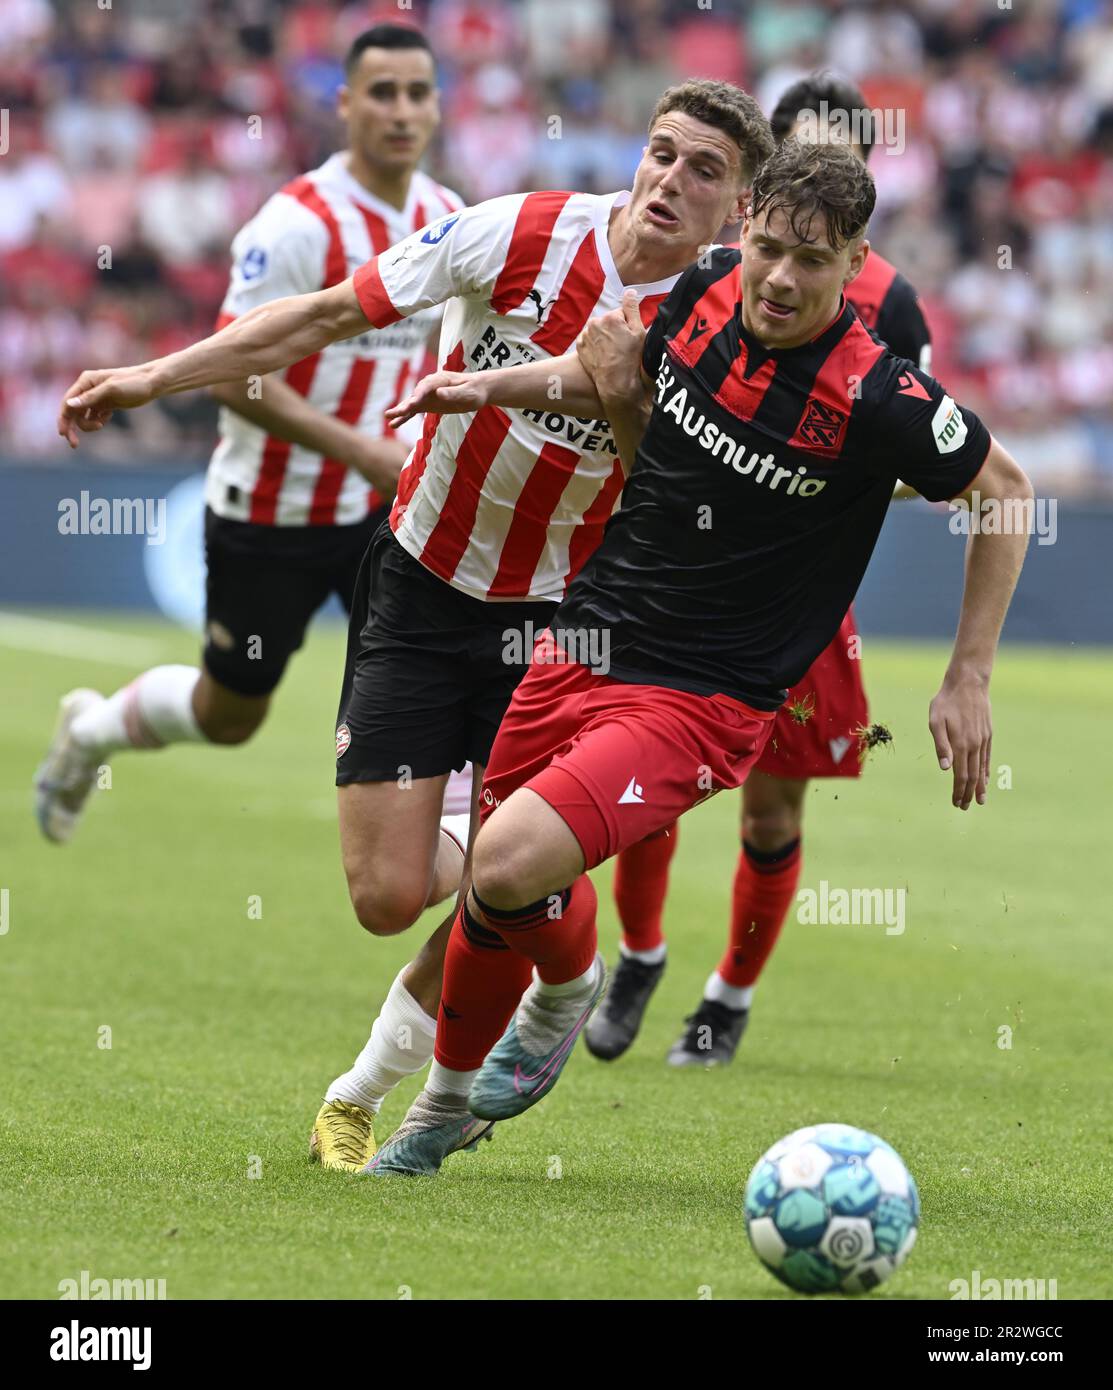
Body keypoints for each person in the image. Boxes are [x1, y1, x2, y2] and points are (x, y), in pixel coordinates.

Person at [53, 80, 776, 1170]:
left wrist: (625, 398)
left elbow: (678, 507)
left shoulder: (723, 328)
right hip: (419, 581)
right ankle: (544, 931)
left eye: (705, 170)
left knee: (507, 866)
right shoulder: (520, 232)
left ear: (739, 207)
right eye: (664, 153)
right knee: (387, 896)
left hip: (558, 625)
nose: (673, 180)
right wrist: (159, 375)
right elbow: (328, 313)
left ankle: (375, 1093)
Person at [363, 137, 1033, 1176]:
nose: (779, 276)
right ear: (745, 231)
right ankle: (440, 1107)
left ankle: (563, 1004)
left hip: (705, 695)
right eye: (768, 245)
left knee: (501, 865)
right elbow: (610, 379)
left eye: (811, 261)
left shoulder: (880, 398)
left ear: (855, 264)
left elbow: (1007, 492)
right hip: (587, 635)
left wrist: (969, 675)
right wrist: (486, 389)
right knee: (498, 893)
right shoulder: (708, 287)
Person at [36, 22, 464, 861]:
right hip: (269, 510)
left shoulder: (448, 218)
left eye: (418, 91)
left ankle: (477, 903)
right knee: (230, 714)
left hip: (386, 512)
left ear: (437, 105)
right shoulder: (297, 223)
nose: (402, 109)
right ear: (344, 104)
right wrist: (359, 449)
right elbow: (237, 378)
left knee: (432, 684)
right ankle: (89, 731)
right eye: (382, 92)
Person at [592, 70, 937, 1070]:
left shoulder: (889, 306)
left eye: (847, 153)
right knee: (641, 779)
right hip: (679, 580)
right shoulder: (727, 268)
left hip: (796, 603)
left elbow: (910, 455)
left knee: (772, 805)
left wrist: (813, 491)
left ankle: (726, 1001)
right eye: (804, 153)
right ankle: (642, 953)